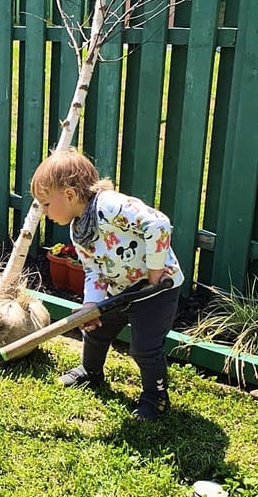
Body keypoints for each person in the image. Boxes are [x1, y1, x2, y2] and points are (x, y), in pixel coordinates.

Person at [30, 148, 184, 421]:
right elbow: (93, 270)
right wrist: (91, 304)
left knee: (145, 348)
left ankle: (155, 395)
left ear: (69, 195)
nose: (43, 211)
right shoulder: (79, 229)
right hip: (119, 289)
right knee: (96, 331)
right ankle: (90, 371)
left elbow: (159, 224)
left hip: (157, 289)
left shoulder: (110, 206)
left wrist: (155, 273)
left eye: (46, 204)